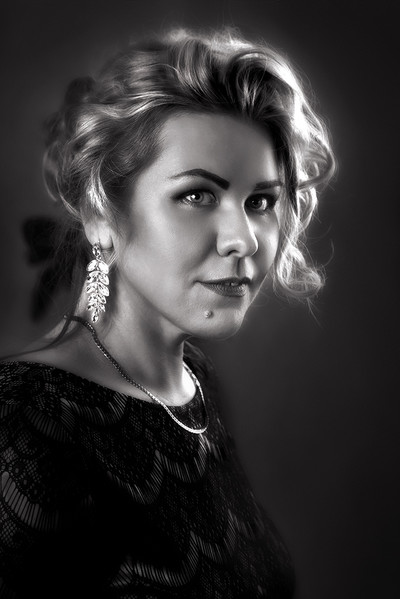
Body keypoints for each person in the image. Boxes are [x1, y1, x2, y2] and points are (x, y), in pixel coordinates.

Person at [0, 27, 335, 598]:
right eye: (198, 195)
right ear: (100, 214)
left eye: (260, 202)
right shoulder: (24, 424)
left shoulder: (192, 382)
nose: (244, 239)